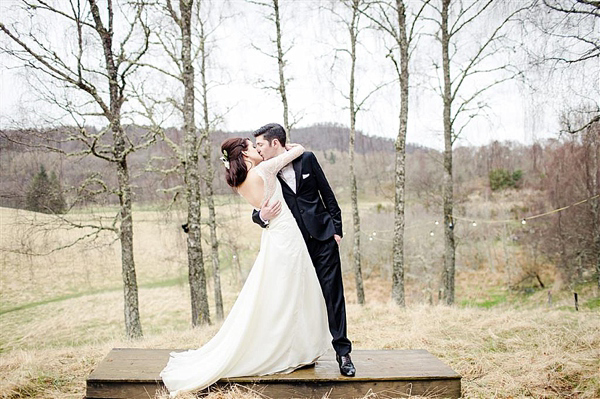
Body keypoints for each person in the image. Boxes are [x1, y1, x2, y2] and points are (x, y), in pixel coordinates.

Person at [160, 138, 332, 397]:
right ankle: (290, 347)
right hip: (286, 236)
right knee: (293, 290)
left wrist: (262, 215)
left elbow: (260, 208)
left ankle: (293, 344)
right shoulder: (264, 170)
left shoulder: (240, 184)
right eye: (254, 147)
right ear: (246, 156)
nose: (258, 150)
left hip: (274, 237)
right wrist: (292, 147)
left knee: (280, 292)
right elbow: (297, 152)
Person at [251, 123, 355, 377]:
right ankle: (304, 353)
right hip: (293, 246)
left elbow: (327, 195)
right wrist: (261, 216)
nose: (258, 150)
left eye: (261, 144)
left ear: (276, 143)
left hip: (323, 238)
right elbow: (256, 208)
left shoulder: (307, 159)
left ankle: (343, 353)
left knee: (333, 295)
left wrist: (337, 229)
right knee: (298, 298)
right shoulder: (265, 172)